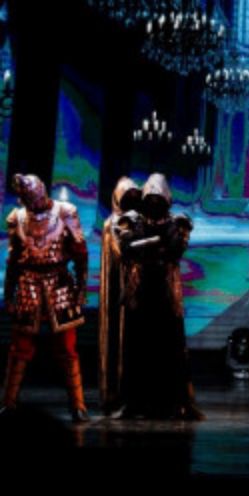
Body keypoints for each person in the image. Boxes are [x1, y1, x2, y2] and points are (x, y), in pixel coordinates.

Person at [0, 174, 89, 422]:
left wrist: (81, 289)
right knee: (20, 347)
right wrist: (9, 293)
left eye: (37, 197)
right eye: (30, 199)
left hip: (59, 284)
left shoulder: (65, 212)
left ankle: (78, 405)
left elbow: (80, 253)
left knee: (67, 347)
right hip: (28, 284)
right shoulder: (17, 217)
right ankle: (8, 402)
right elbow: (13, 259)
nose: (36, 202)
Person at [116, 173, 204, 420]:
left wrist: (150, 243)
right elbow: (126, 250)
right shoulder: (132, 221)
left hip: (165, 290)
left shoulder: (178, 222)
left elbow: (175, 250)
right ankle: (135, 403)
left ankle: (171, 403)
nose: (154, 202)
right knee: (138, 348)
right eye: (150, 198)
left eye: (158, 198)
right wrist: (152, 244)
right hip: (141, 289)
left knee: (168, 347)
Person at [98, 176, 142, 415]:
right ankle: (116, 395)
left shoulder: (139, 220)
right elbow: (122, 251)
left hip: (138, 289)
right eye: (127, 198)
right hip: (118, 289)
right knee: (116, 339)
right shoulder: (113, 223)